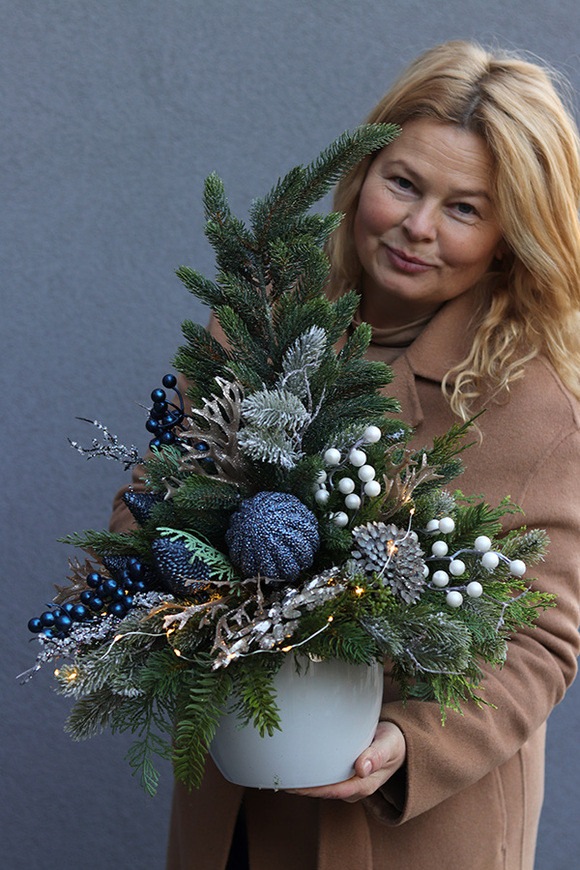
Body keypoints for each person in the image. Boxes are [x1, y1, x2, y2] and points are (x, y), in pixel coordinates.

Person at [111, 40, 580, 870]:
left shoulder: (534, 401)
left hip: (410, 825)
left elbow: (542, 640)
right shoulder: (261, 317)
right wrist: (162, 583)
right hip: (239, 794)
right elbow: (158, 487)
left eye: (465, 208)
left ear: (511, 237)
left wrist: (408, 742)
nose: (416, 226)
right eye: (403, 182)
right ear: (361, 171)